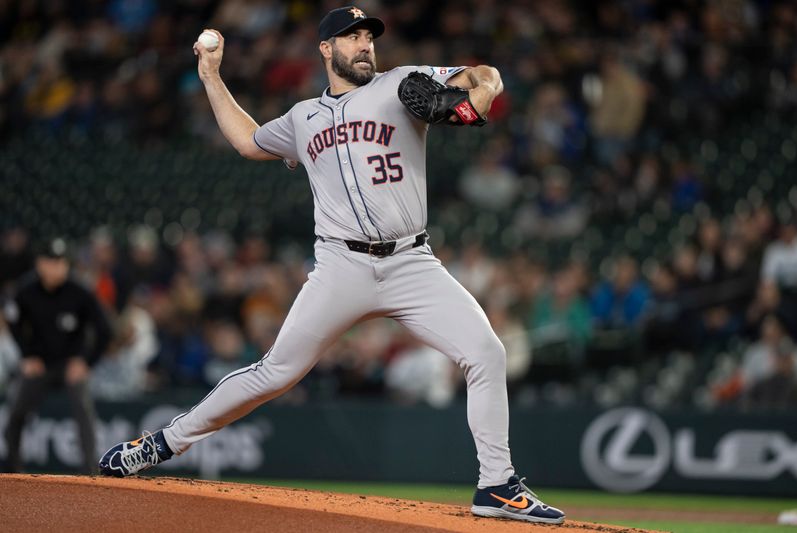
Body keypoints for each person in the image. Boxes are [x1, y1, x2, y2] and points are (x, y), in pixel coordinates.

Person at [98, 6, 564, 525]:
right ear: (326, 48)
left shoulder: (400, 84)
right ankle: (160, 444)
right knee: (274, 372)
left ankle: (496, 486)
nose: (364, 44)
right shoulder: (303, 118)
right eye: (351, 37)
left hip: (412, 261)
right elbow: (247, 141)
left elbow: (485, 75)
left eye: (369, 36)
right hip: (340, 267)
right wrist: (210, 76)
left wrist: (476, 98)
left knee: (487, 352)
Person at [3, 237, 112, 474]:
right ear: (40, 264)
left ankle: (91, 472)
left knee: (84, 411)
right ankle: (12, 471)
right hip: (40, 364)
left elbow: (105, 329)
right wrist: (26, 355)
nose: (57, 267)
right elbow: (12, 321)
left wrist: (86, 362)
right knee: (15, 413)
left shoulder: (80, 291)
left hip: (70, 364)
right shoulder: (26, 290)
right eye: (51, 261)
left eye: (61, 262)